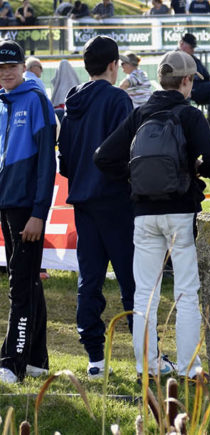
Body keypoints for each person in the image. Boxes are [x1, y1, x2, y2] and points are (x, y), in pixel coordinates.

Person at [95, 50, 210, 382]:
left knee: (144, 294)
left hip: (143, 214)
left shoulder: (140, 114)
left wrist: (133, 177)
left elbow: (103, 157)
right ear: (187, 80)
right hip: (180, 211)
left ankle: (146, 367)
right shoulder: (189, 115)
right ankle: (190, 368)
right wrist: (196, 170)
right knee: (186, 293)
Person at [57, 36, 136, 379]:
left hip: (83, 200)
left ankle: (95, 358)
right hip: (116, 200)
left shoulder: (72, 102)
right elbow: (129, 151)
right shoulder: (118, 99)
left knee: (89, 281)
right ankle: (146, 353)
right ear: (113, 65)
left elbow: (64, 164)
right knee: (133, 281)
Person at [0, 39, 56, 384]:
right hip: (6, 204)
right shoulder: (2, 102)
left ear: (23, 67)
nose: (5, 73)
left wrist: (39, 213)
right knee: (27, 280)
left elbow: (47, 164)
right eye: (0, 68)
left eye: (11, 67)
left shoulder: (36, 100)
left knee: (20, 285)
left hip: (27, 209)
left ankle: (11, 363)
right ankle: (37, 359)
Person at [178, 33, 210, 130]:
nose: (193, 50)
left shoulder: (195, 59)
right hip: (188, 89)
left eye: (193, 47)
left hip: (198, 87)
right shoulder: (176, 58)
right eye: (191, 47)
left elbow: (206, 76)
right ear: (182, 44)